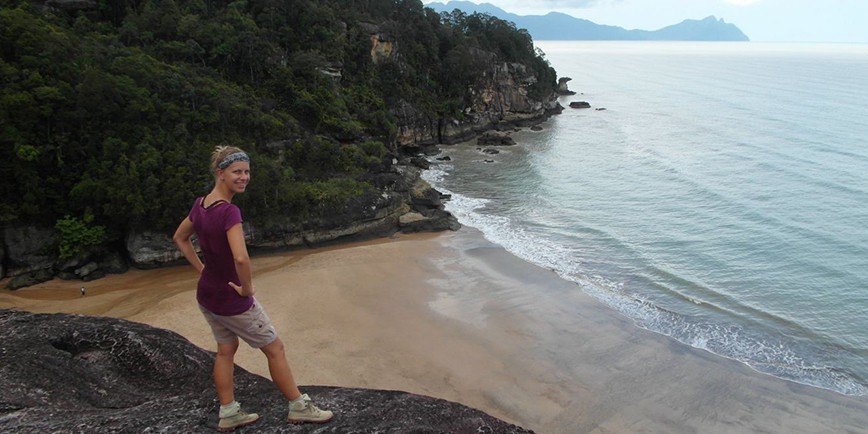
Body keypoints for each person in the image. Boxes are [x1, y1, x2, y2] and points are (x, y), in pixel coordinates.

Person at [173, 146, 333, 431]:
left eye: (246, 171)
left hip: (207, 296)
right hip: (232, 301)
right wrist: (247, 289)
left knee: (225, 350)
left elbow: (180, 238)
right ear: (220, 173)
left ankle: (229, 411)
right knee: (275, 348)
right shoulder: (229, 211)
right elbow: (241, 257)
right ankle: (299, 406)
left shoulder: (200, 205)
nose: (244, 177)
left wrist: (202, 271)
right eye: (237, 172)